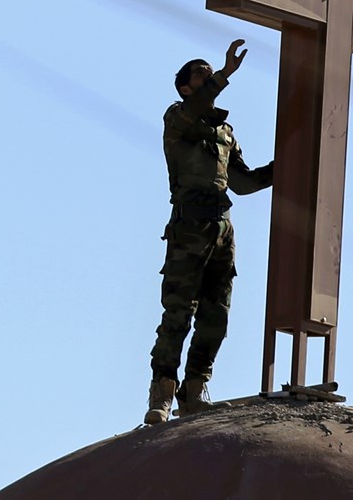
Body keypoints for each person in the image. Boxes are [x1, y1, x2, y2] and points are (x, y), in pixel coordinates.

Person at [144, 38, 273, 425]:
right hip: (189, 225)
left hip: (221, 226)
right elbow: (197, 109)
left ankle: (195, 389)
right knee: (179, 313)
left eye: (208, 71)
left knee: (216, 314)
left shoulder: (225, 132)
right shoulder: (178, 118)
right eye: (199, 73)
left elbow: (243, 182)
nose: (207, 74)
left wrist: (284, 166)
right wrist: (225, 74)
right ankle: (162, 393)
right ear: (185, 88)